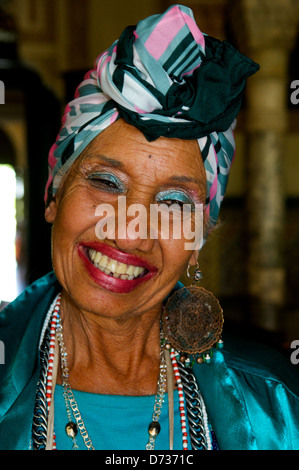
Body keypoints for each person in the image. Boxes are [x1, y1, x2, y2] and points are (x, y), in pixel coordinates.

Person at [0, 4, 298, 451]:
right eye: (105, 182)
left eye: (174, 202)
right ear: (54, 195)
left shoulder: (277, 406)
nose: (129, 234)